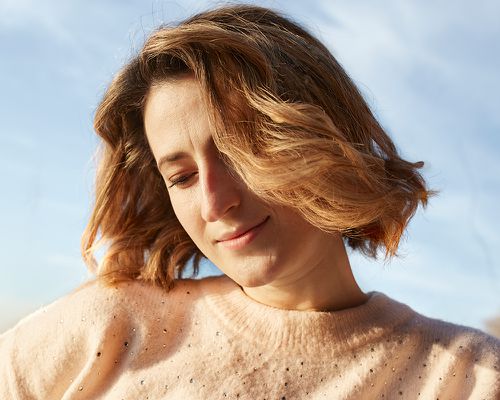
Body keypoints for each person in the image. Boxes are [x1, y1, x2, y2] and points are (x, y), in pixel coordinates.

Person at [1, 4, 499, 399]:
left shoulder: (471, 377)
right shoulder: (107, 325)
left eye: (240, 153)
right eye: (182, 176)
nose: (215, 202)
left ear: (324, 140)